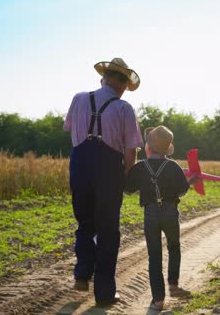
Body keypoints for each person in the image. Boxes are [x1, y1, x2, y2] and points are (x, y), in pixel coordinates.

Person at [63, 57, 144, 306]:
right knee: (108, 230)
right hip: (109, 170)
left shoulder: (79, 98)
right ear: (120, 83)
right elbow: (131, 150)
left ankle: (82, 272)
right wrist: (129, 175)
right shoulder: (123, 108)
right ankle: (105, 293)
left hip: (79, 164)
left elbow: (70, 129)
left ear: (103, 78)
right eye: (124, 82)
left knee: (85, 223)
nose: (123, 87)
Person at [125, 125, 199, 311]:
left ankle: (158, 300)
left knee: (154, 256)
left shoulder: (140, 167)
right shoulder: (173, 166)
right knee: (174, 247)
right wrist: (190, 181)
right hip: (170, 212)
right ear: (167, 149)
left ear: (148, 147)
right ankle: (173, 285)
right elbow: (181, 190)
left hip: (150, 213)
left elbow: (128, 189)